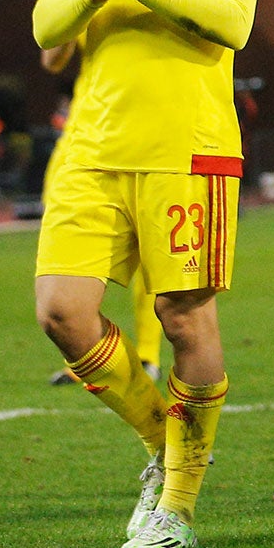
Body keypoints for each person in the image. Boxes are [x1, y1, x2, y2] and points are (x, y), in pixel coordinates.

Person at [31, 0, 266, 548]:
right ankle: (163, 443)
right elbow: (45, 27)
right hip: (95, 142)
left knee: (182, 320)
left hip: (187, 146)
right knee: (63, 312)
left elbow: (235, 23)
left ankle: (177, 509)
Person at [42, 41, 164, 388]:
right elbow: (52, 58)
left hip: (150, 128)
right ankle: (85, 356)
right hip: (85, 135)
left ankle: (148, 354)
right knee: (71, 252)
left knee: (148, 249)